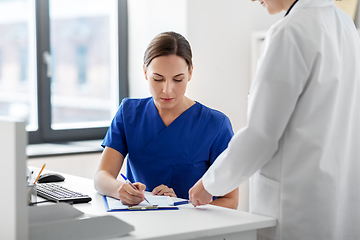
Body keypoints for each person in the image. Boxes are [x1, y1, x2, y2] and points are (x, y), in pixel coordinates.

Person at [189, 0, 360, 239]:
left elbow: (261, 136)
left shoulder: (290, 31)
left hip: (296, 207)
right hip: (336, 200)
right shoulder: (345, 25)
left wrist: (210, 184)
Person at [94, 31, 239, 209]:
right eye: (158, 79)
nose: (167, 90)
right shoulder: (129, 113)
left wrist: (181, 205)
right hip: (139, 224)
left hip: (193, 230)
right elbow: (101, 176)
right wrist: (120, 190)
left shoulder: (215, 125)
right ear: (145, 72)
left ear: (190, 72)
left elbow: (231, 201)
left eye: (178, 79)